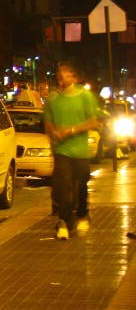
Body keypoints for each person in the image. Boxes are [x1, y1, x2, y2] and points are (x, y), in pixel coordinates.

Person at [44, 61, 99, 240]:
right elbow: (48, 124)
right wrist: (54, 132)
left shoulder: (85, 96)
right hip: (62, 149)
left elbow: (93, 122)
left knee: (81, 182)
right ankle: (64, 221)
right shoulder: (53, 98)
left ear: (74, 77)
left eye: (66, 74)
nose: (61, 77)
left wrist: (71, 130)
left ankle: (83, 213)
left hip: (80, 150)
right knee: (64, 185)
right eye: (59, 74)